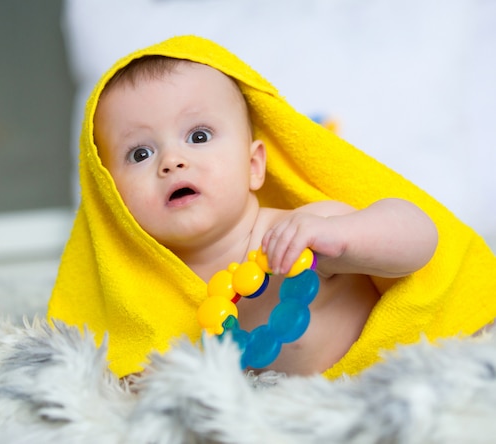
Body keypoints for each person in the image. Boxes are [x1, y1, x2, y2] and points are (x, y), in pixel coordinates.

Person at [48, 35, 496, 379]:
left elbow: (421, 239)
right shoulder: (142, 291)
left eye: (198, 136)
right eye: (139, 153)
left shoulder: (301, 233)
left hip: (380, 379)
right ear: (111, 198)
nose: (172, 160)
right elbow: (121, 360)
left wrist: (345, 239)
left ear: (253, 166)